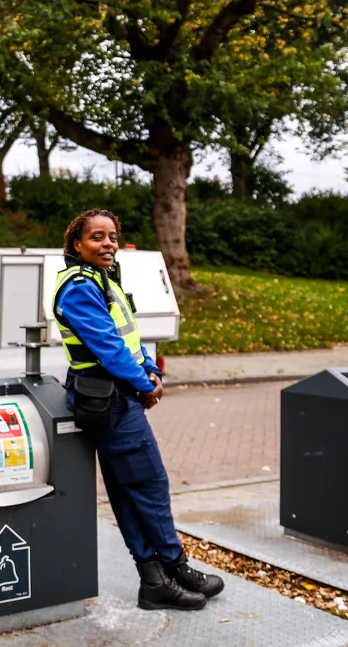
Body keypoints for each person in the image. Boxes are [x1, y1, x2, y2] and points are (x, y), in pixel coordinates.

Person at [53, 208, 225, 611]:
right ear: (76, 244)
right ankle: (174, 566)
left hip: (112, 394)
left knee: (128, 492)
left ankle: (155, 580)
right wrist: (144, 383)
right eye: (97, 237)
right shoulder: (79, 286)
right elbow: (108, 348)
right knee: (149, 485)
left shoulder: (103, 280)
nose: (107, 243)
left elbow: (129, 337)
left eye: (112, 236)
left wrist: (148, 367)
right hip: (110, 399)